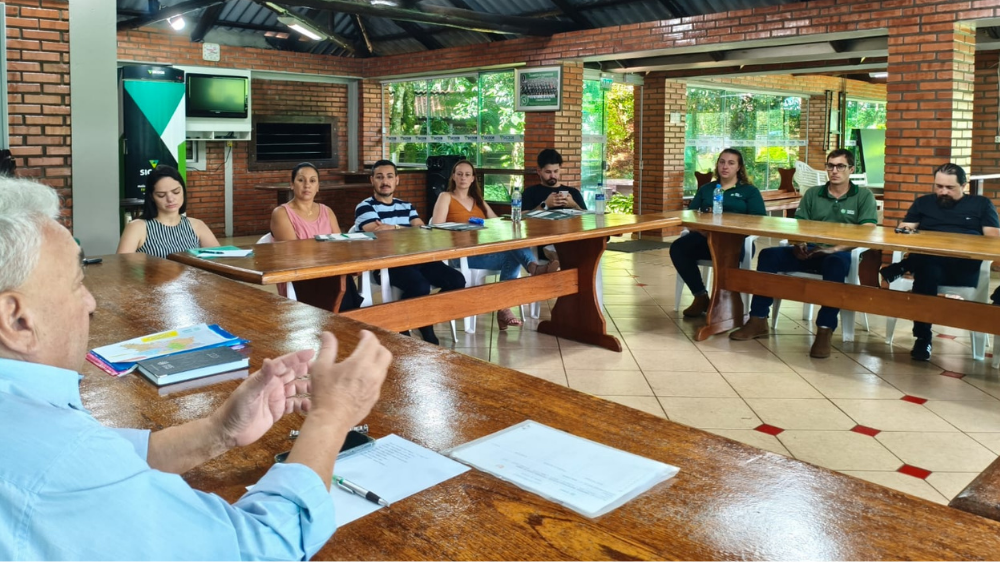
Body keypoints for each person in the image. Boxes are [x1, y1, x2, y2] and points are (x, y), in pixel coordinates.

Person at [0, 177, 392, 560]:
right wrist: (330, 418)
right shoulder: (58, 466)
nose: (91, 303)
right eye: (77, 283)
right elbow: (261, 546)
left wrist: (217, 431)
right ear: (16, 320)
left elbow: (112, 454)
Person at [729, 149, 878, 359]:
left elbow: (867, 232)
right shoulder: (813, 193)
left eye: (840, 166)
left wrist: (833, 248)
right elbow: (798, 228)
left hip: (840, 254)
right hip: (811, 251)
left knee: (834, 263)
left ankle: (825, 329)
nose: (834, 171)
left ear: (851, 169)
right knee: (768, 255)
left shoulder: (863, 196)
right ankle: (758, 319)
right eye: (830, 166)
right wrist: (799, 243)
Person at [881, 163, 999, 361]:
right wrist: (907, 231)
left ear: (964, 185)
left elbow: (993, 240)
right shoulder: (924, 203)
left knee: (926, 263)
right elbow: (904, 230)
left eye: (949, 188)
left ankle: (903, 267)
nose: (943, 192)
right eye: (939, 186)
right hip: (930, 267)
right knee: (927, 270)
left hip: (962, 267)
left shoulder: (981, 204)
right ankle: (923, 338)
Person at [430, 159, 558, 329]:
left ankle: (504, 307)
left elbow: (496, 222)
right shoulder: (445, 197)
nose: (463, 178)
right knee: (513, 254)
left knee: (513, 250)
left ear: (473, 178)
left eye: (467, 174)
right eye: (459, 174)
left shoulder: (477, 200)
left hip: (484, 251)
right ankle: (532, 268)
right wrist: (463, 228)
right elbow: (436, 227)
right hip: (460, 256)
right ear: (453, 176)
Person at [354, 159, 465, 345]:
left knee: (457, 280)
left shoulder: (406, 206)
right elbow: (379, 234)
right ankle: (415, 327)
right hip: (386, 264)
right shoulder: (365, 206)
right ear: (371, 180)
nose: (385, 181)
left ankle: (421, 319)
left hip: (416, 258)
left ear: (397, 180)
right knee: (419, 286)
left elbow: (421, 230)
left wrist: (395, 227)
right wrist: (405, 229)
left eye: (390, 176)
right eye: (379, 177)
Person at [671, 149, 766, 317]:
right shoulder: (707, 189)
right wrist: (700, 230)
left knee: (728, 257)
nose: (725, 167)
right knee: (678, 248)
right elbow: (690, 215)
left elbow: (759, 221)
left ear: (739, 167)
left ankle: (725, 303)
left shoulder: (749, 191)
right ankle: (700, 296)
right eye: (722, 162)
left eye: (731, 163)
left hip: (736, 242)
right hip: (705, 238)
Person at [270, 162, 362, 311]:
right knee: (341, 283)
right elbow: (293, 251)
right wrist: (327, 251)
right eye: (301, 180)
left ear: (318, 186)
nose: (307, 185)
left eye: (312, 181)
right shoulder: (281, 213)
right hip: (300, 276)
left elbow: (340, 246)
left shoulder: (327, 211)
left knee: (343, 279)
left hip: (329, 271)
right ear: (292, 184)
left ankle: (347, 322)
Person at [117, 165, 220, 257]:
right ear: (151, 197)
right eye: (161, 195)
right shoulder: (137, 227)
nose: (170, 199)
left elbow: (220, 259)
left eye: (176, 192)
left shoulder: (197, 225)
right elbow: (123, 268)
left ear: (183, 191)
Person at [523, 148, 587, 212]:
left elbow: (586, 217)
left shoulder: (573, 192)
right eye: (548, 172)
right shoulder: (530, 193)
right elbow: (522, 217)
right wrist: (545, 205)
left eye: (556, 171)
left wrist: (574, 205)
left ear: (560, 168)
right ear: (539, 171)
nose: (553, 176)